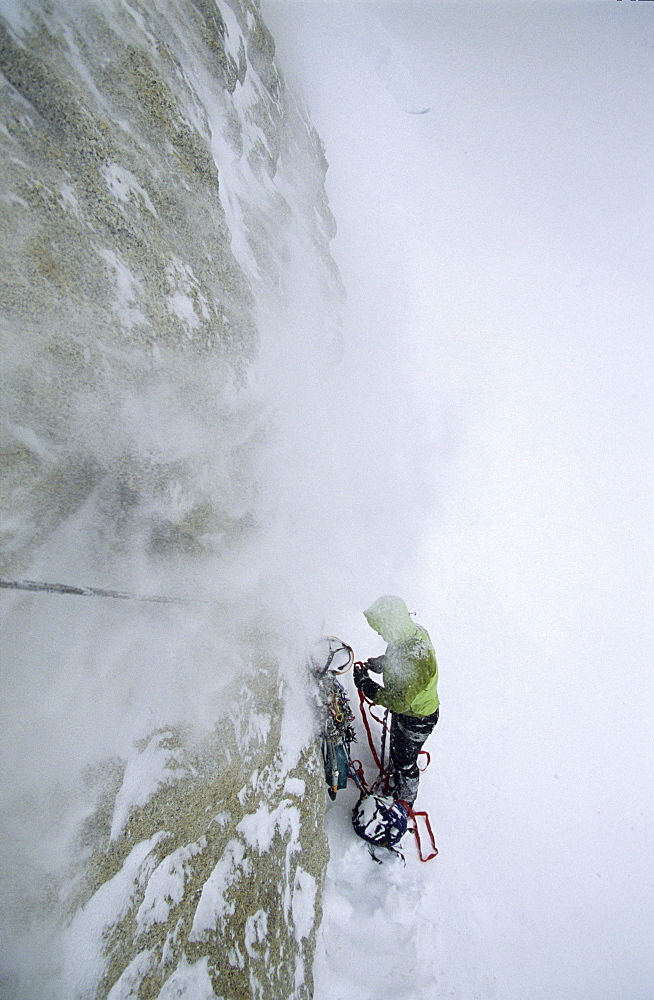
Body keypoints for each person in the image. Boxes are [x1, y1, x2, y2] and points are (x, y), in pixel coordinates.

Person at [354, 595, 439, 806]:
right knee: (398, 747)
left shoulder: (417, 657)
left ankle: (405, 800)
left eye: (382, 631)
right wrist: (381, 664)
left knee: (405, 761)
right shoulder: (409, 634)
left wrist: (367, 686)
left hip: (418, 718)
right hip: (410, 713)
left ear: (393, 625)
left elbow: (400, 701)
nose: (381, 636)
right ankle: (398, 770)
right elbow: (400, 658)